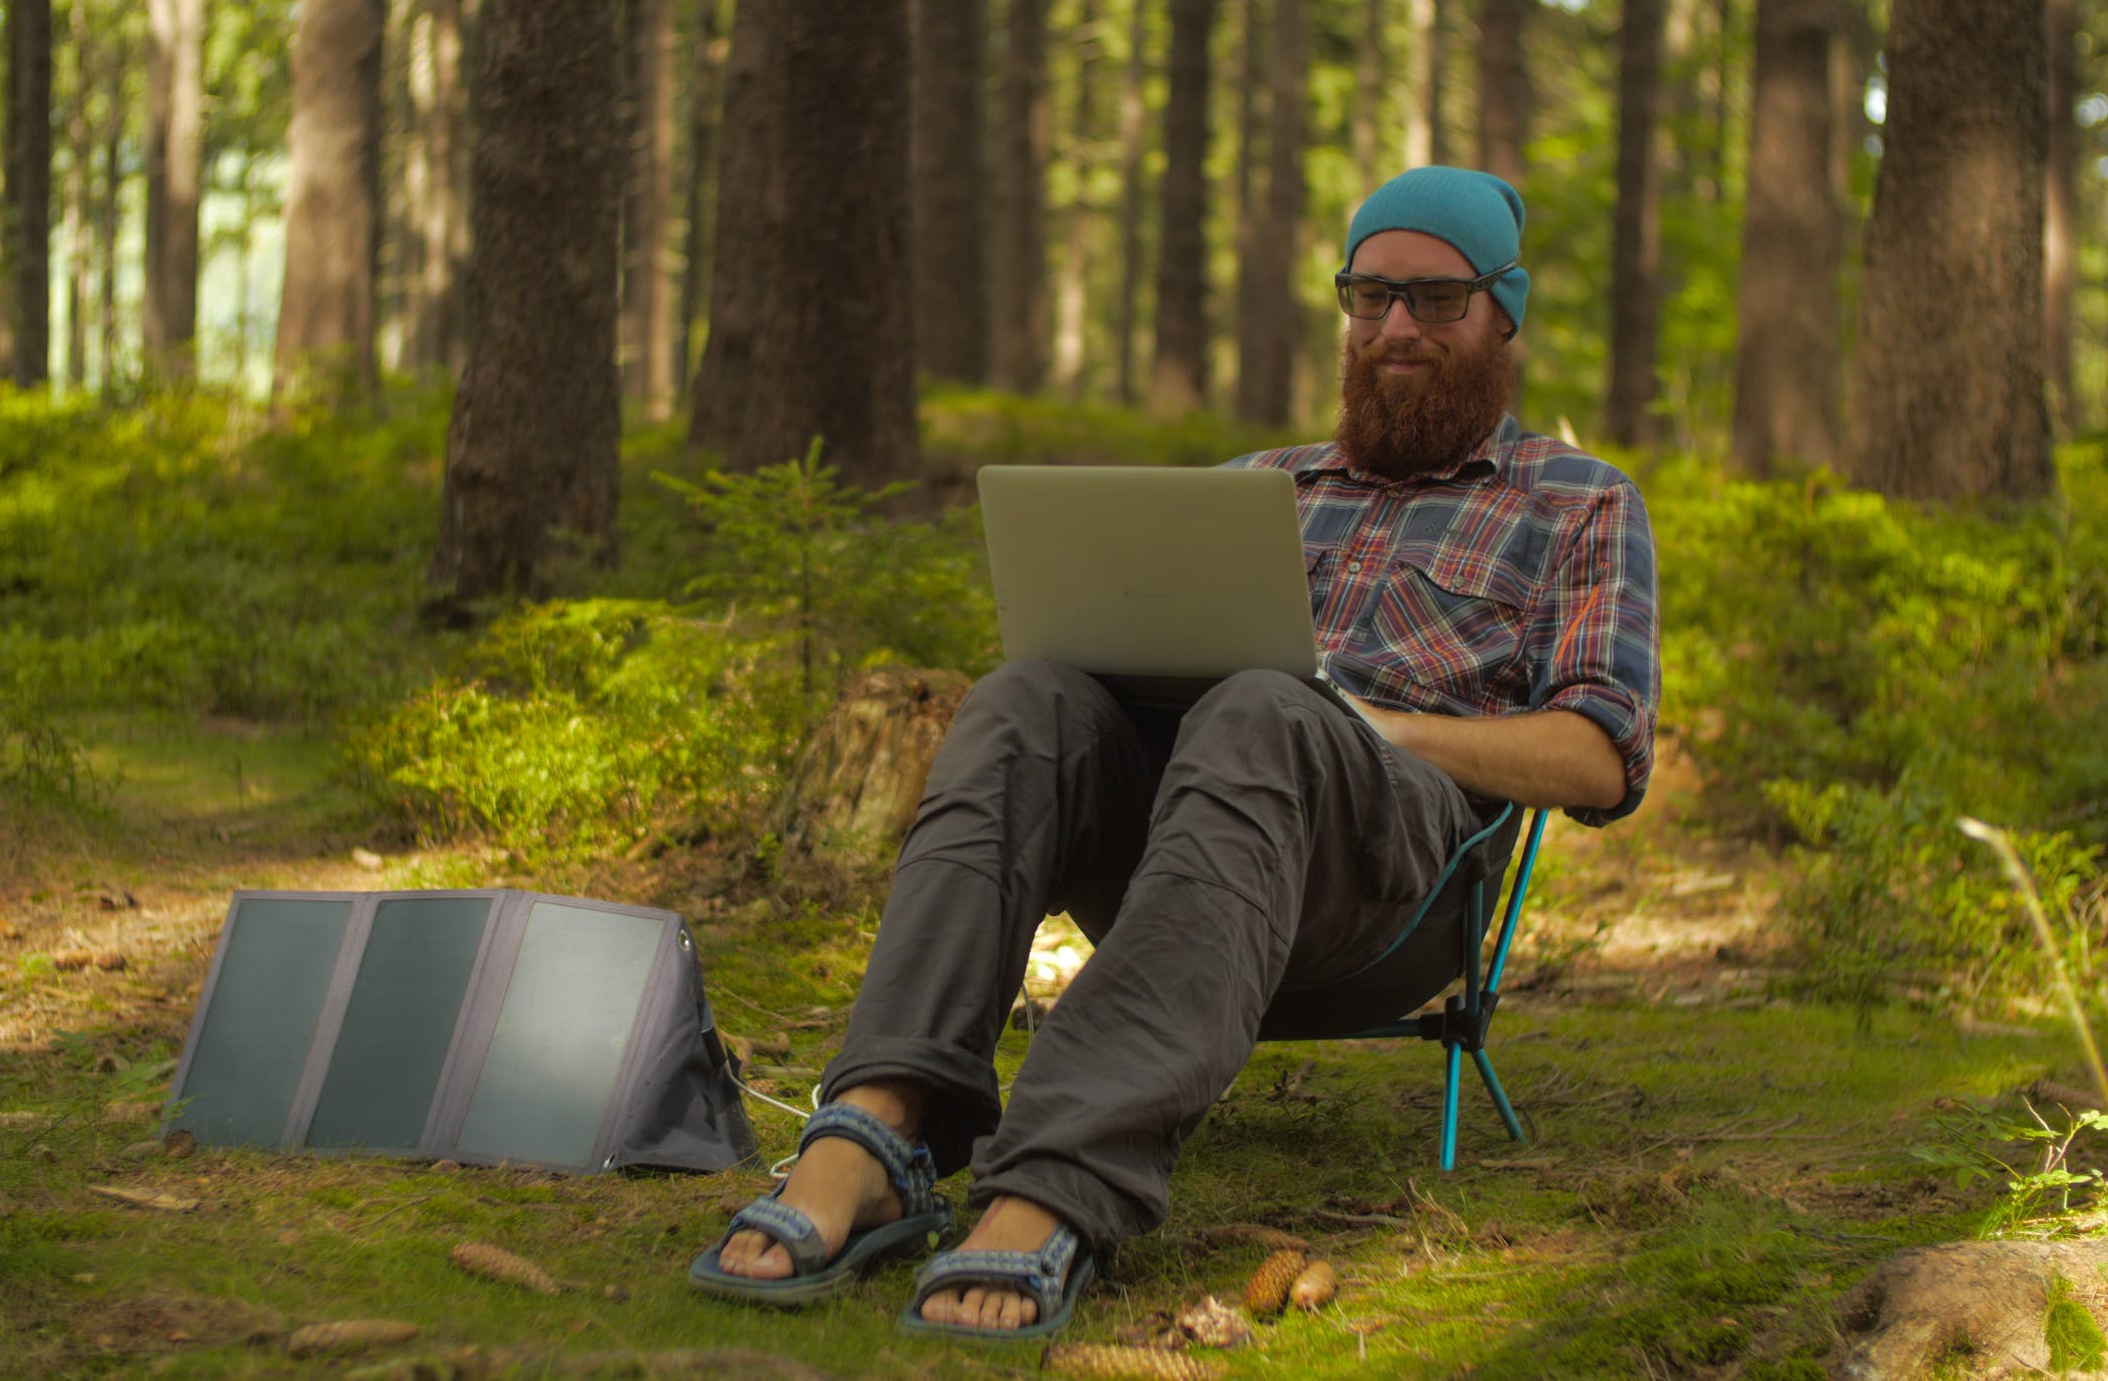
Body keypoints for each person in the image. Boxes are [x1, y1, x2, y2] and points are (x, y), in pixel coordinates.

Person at [688, 166, 1660, 1338]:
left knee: (1265, 707)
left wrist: (1379, 726)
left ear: (1504, 313)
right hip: (1189, 846)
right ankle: (880, 1125)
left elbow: (1603, 758)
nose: (1396, 328)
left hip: (1387, 884)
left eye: (1438, 300)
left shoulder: (1578, 502)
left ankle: (1056, 1179)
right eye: (1370, 297)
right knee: (1025, 700)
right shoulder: (1260, 486)